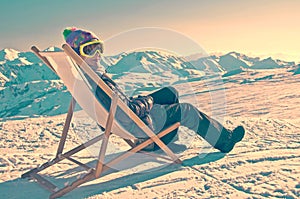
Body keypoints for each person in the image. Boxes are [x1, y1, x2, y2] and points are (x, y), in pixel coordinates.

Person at [62, 27, 245, 153]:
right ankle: (224, 141)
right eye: (89, 50)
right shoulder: (100, 82)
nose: (97, 55)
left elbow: (117, 108)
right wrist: (147, 101)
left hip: (124, 118)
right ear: (78, 53)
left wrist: (137, 101)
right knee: (185, 109)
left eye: (98, 48)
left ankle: (167, 139)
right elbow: (130, 111)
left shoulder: (84, 78)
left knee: (170, 93)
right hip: (137, 125)